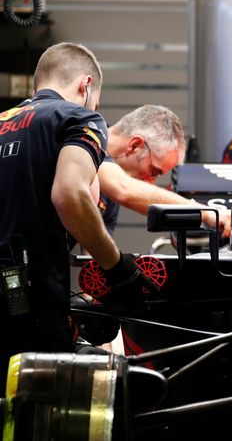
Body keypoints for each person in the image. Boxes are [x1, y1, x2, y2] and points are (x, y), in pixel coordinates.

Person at [0, 43, 156, 382]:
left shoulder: (3, 122)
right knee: (35, 406)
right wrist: (117, 268)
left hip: (15, 294)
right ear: (86, 86)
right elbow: (69, 194)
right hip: (28, 305)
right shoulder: (78, 118)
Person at [96, 105, 228, 236]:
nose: (151, 183)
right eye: (153, 171)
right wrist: (205, 212)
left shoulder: (111, 198)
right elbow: (124, 189)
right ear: (134, 146)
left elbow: (92, 255)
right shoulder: (87, 141)